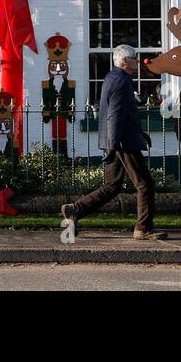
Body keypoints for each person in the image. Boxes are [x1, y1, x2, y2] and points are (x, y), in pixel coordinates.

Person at [61, 44, 165, 240]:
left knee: (112, 186)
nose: (137, 61)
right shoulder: (121, 81)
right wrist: (113, 145)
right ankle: (143, 229)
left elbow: (117, 114)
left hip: (119, 140)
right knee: (144, 185)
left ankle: (76, 210)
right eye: (134, 58)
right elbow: (115, 116)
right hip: (122, 142)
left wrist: (138, 133)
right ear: (125, 62)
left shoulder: (113, 77)